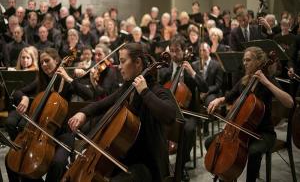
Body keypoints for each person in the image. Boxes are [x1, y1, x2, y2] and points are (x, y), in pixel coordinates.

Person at [68, 43, 176, 182]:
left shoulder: (156, 90)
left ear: (137, 62)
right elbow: (104, 103)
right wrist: (83, 113)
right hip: (124, 157)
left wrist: (144, 92)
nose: (119, 66)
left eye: (123, 61)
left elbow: (170, 115)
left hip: (147, 164)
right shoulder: (128, 87)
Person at [205, 46, 294, 182]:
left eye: (248, 60)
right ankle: (228, 176)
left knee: (254, 151)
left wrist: (266, 82)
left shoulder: (268, 80)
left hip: (263, 134)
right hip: (240, 132)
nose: (244, 63)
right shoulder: (245, 80)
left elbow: (289, 102)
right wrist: (218, 100)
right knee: (210, 142)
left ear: (258, 62)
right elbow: (228, 97)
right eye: (244, 60)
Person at [5, 48, 80, 182]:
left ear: (56, 61)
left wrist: (68, 78)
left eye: (47, 61)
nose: (44, 65)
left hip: (63, 134)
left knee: (57, 164)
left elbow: (90, 95)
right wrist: (24, 98)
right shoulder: (42, 80)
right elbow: (18, 92)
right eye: (41, 62)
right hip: (39, 133)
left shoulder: (67, 82)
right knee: (10, 160)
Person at [158, 36, 208, 182]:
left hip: (188, 113)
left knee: (188, 130)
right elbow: (159, 89)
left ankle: (181, 165)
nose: (174, 54)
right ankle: (162, 164)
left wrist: (192, 73)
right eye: (171, 51)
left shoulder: (192, 66)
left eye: (177, 51)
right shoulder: (165, 69)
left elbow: (204, 87)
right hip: (169, 112)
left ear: (184, 50)